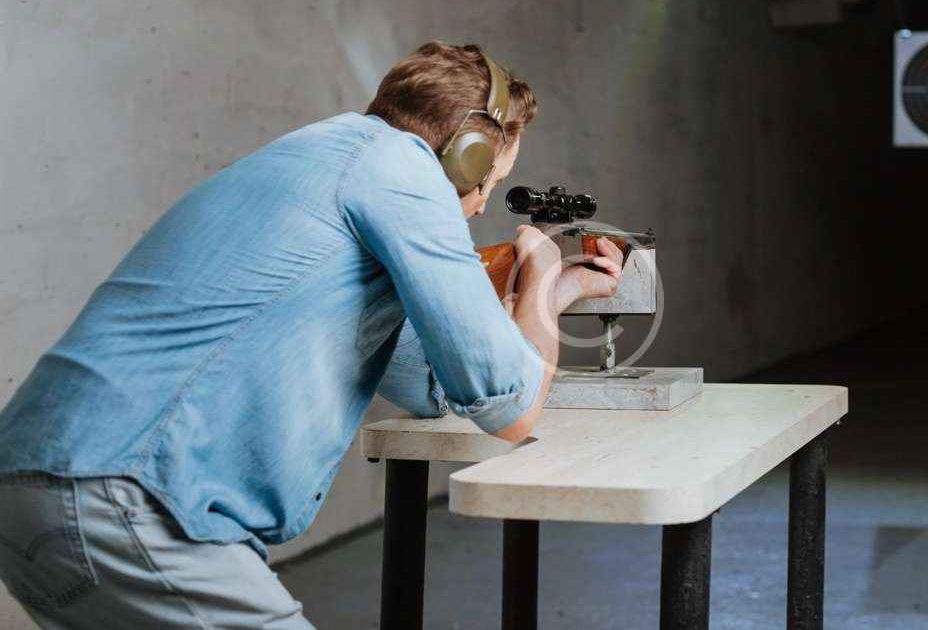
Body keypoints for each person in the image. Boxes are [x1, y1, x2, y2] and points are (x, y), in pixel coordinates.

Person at [0, 42, 623, 629]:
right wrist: (540, 277)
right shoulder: (404, 171)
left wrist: (552, 293)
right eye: (491, 181)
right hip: (130, 495)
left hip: (35, 482)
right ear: (467, 156)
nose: (483, 204)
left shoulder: (319, 157)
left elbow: (429, 386)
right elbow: (511, 406)